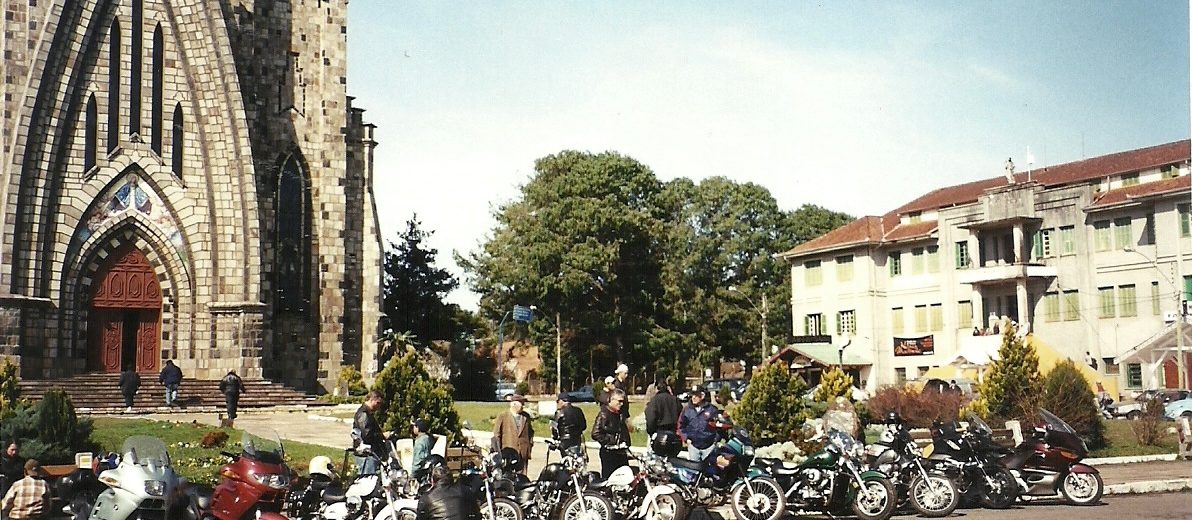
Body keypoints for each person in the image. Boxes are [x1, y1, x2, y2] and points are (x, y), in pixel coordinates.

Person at [592, 388, 629, 478]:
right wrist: (611, 441)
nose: (621, 404)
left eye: (623, 401)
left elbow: (623, 431)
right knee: (609, 478)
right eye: (619, 401)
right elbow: (595, 433)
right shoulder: (603, 414)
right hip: (609, 454)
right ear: (611, 400)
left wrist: (626, 442)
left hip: (621, 452)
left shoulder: (620, 414)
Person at [352, 391, 390, 475]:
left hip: (370, 453)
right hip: (367, 455)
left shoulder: (367, 413)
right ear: (372, 400)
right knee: (368, 478)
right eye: (378, 403)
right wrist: (382, 436)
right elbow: (367, 436)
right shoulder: (363, 414)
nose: (379, 406)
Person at [491, 395, 533, 473]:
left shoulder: (526, 416)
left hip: (523, 453)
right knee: (508, 475)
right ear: (513, 404)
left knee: (522, 476)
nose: (523, 406)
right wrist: (498, 452)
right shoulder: (503, 416)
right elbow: (497, 434)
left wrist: (529, 446)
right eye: (521, 403)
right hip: (508, 453)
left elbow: (530, 433)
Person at [679, 385, 719, 462]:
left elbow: (719, 426)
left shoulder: (712, 410)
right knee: (694, 467)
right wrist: (686, 438)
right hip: (693, 447)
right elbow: (681, 425)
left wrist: (716, 440)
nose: (693, 397)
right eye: (692, 395)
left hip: (709, 447)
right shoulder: (687, 410)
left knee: (709, 467)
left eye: (696, 395)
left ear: (702, 396)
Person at [0, 441, 22, 506]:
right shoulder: (1, 459)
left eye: (16, 450)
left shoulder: (20, 460)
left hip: (16, 484)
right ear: (7, 449)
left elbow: (19, 471)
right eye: (12, 450)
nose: (14, 452)